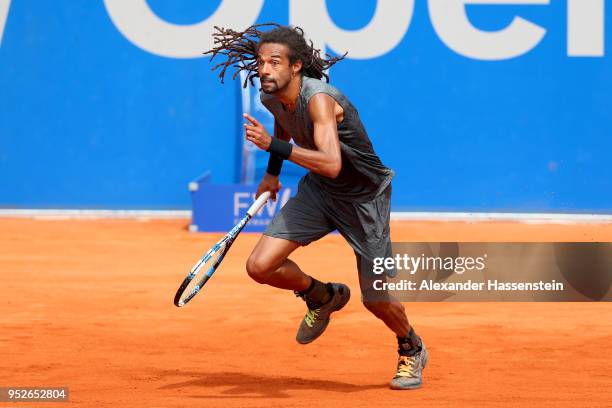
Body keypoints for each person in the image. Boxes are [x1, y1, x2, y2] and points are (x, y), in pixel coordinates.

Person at [205, 24, 427, 390]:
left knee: (376, 299)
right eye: (260, 62)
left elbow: (331, 163)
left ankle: (411, 346)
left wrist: (272, 150)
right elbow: (283, 126)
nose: (263, 70)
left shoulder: (320, 99)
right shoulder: (270, 97)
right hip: (320, 193)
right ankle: (322, 296)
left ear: (296, 67)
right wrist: (272, 175)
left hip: (363, 199)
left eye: (274, 62)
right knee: (260, 266)